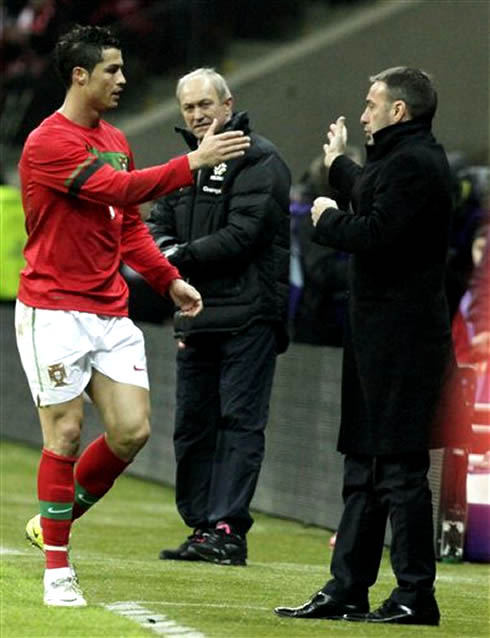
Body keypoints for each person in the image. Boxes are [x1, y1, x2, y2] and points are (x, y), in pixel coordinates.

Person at [16, 25, 250, 608]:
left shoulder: (117, 137)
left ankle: (53, 518)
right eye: (111, 71)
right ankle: (57, 571)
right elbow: (118, 188)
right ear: (79, 76)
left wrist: (169, 280)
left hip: (108, 310)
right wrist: (192, 162)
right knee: (66, 433)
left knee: (130, 432)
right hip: (54, 307)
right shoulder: (49, 142)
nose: (122, 80)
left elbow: (130, 222)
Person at [274, 67, 461, 626]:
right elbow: (374, 193)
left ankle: (414, 595)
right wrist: (338, 166)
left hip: (403, 344)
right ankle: (347, 588)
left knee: (400, 471)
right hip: (379, 340)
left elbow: (378, 232)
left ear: (399, 111)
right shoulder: (405, 161)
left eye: (371, 104)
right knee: (364, 467)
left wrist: (328, 220)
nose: (363, 114)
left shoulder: (415, 164)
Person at [147, 67, 290, 566]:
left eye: (206, 104)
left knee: (238, 423)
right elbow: (153, 229)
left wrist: (173, 257)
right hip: (195, 316)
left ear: (229, 105)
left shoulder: (260, 158)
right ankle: (203, 527)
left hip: (248, 318)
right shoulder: (183, 167)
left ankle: (227, 528)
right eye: (188, 107)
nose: (197, 115)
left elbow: (242, 236)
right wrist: (166, 254)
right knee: (192, 426)